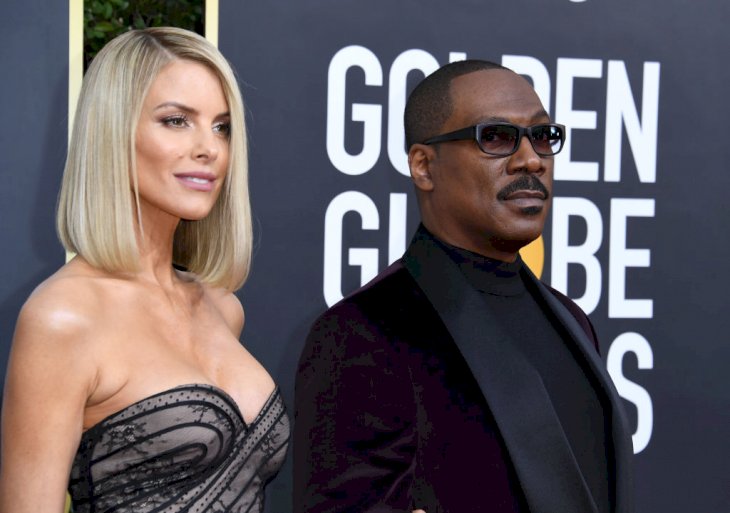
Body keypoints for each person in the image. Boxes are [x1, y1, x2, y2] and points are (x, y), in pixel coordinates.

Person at [294, 60, 633, 513]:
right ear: (423, 166)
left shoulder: (572, 321)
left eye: (542, 136)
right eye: (495, 137)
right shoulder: (364, 335)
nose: (531, 159)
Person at [0, 27, 289, 513]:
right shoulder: (63, 318)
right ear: (113, 132)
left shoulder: (221, 307)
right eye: (177, 121)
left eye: (222, 127)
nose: (209, 148)